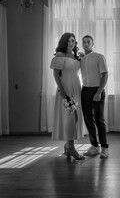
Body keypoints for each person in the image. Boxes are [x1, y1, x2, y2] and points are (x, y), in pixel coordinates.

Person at [50, 32, 85, 160]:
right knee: (70, 116)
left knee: (75, 117)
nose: (72, 43)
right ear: (65, 42)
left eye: (74, 41)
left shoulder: (76, 56)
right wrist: (62, 90)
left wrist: (83, 57)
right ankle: (71, 148)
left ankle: (68, 145)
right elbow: (55, 74)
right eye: (70, 40)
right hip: (65, 87)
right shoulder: (60, 55)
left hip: (76, 87)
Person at [80, 35, 109, 158]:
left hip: (97, 90)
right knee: (88, 120)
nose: (86, 44)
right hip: (85, 90)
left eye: (88, 42)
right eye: (84, 42)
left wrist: (98, 92)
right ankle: (94, 146)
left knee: (99, 120)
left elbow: (105, 75)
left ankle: (104, 148)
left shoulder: (99, 57)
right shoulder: (80, 58)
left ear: (92, 44)